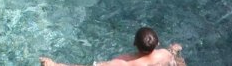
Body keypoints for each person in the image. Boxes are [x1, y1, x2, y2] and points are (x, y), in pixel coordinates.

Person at [41, 27, 185, 66]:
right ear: (157, 43)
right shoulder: (165, 55)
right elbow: (176, 62)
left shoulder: (122, 62)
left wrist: (55, 65)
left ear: (134, 43)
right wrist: (175, 51)